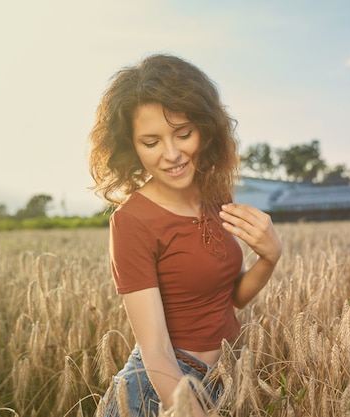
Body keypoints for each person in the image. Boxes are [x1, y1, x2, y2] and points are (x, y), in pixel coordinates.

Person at [88, 54, 282, 416]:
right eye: (151, 142)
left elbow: (230, 298)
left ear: (205, 129)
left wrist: (269, 257)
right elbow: (156, 349)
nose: (172, 154)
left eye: (183, 134)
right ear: (131, 147)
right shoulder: (131, 221)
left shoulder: (215, 195)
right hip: (157, 392)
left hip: (219, 380)